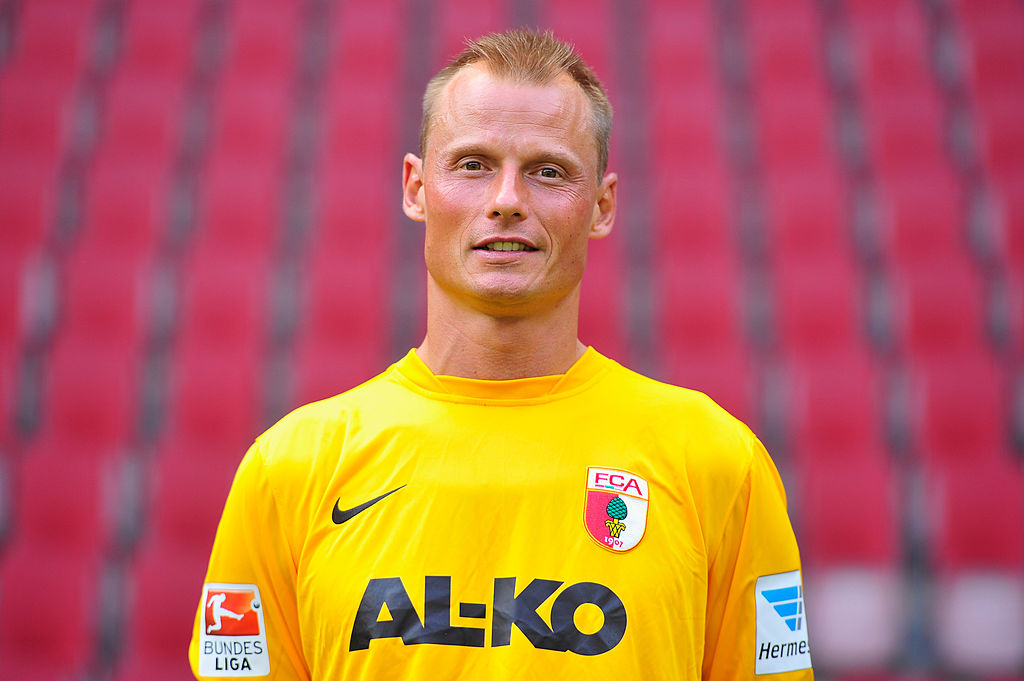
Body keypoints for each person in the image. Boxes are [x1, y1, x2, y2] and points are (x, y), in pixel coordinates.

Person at [189, 29, 813, 680]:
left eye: (548, 172)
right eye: (473, 164)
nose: (507, 201)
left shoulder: (716, 462)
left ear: (601, 206)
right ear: (415, 187)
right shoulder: (288, 470)